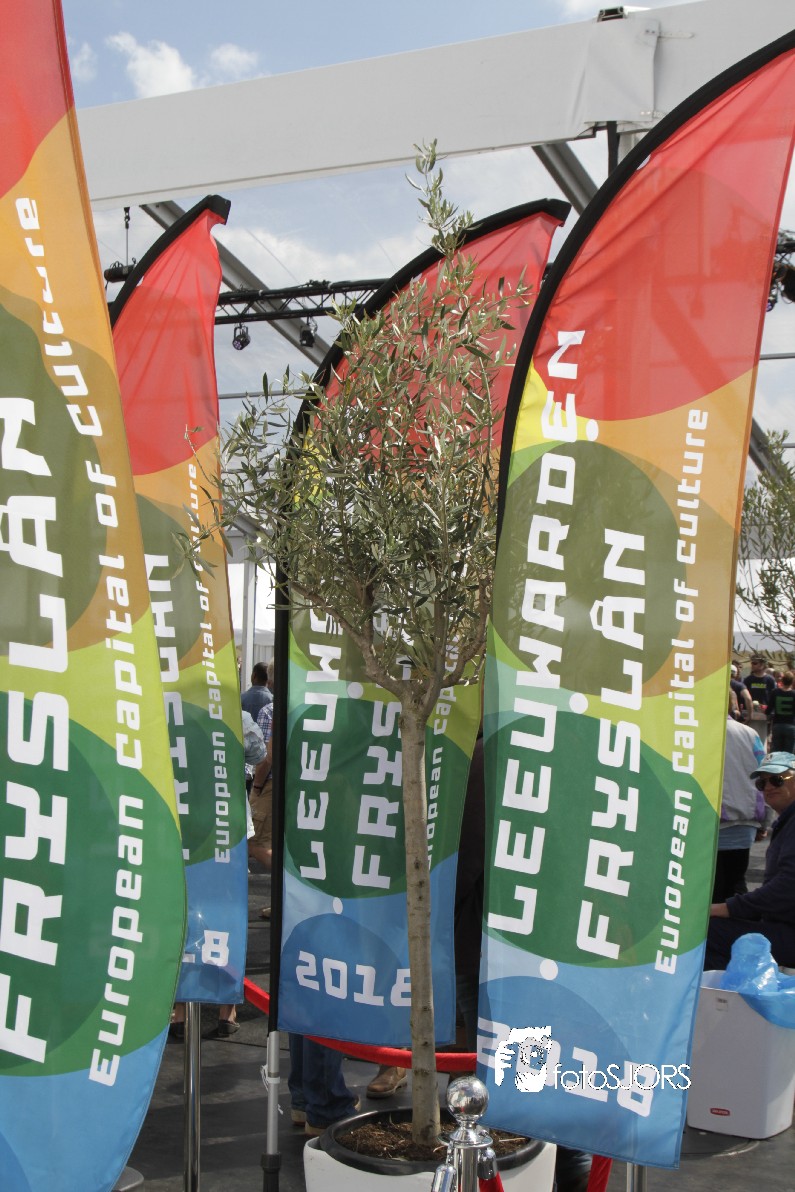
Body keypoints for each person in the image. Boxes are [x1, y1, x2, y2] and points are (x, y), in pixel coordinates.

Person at [706, 751, 795, 970]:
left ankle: (728, 990)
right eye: (762, 783)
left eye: (777, 780)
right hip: (783, 922)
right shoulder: (788, 820)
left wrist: (727, 908)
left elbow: (788, 887)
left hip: (788, 929)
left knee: (708, 931)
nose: (768, 787)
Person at [713, 702, 767, 902]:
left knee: (712, 890)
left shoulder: (698, 733)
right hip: (746, 821)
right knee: (736, 884)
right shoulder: (750, 733)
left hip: (711, 824)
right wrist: (764, 821)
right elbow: (764, 776)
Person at [768, 671, 795, 753]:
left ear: (782, 680)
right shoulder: (794, 694)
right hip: (791, 726)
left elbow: (769, 709)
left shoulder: (775, 692)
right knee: (789, 754)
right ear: (792, 681)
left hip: (777, 725)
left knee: (776, 753)